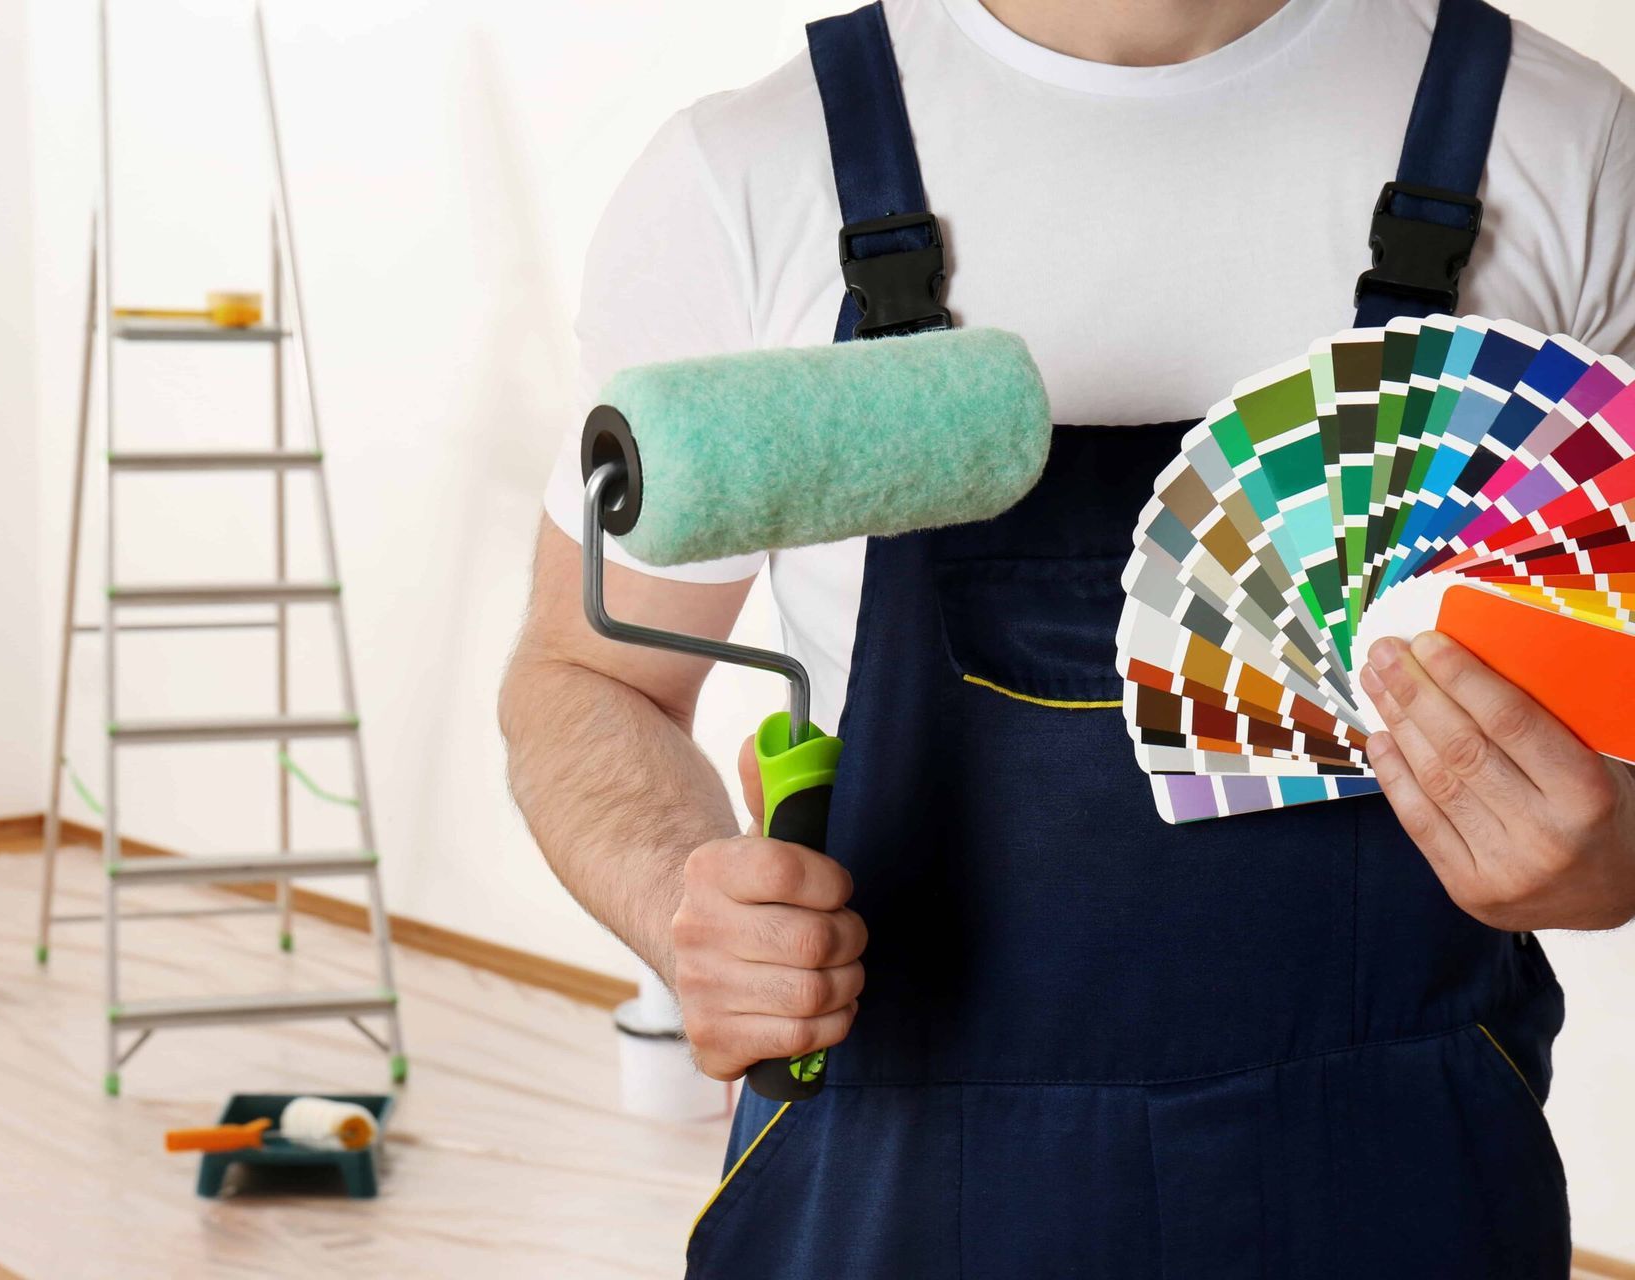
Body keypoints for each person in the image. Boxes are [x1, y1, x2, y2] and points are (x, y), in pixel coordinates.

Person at [499, 0, 1635, 1273]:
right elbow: (590, 674)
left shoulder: (1566, 148)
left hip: (1399, 1180)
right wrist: (679, 900)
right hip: (896, 1184)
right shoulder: (753, 171)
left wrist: (1619, 851)